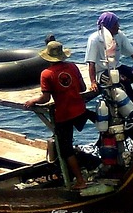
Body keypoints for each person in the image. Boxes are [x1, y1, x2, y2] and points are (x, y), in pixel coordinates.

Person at [23, 39, 92, 189]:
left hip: (64, 114)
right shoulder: (73, 67)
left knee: (65, 149)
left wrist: (33, 101)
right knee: (96, 118)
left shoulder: (46, 74)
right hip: (80, 110)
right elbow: (82, 87)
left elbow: (45, 98)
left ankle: (80, 181)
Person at [85, 11, 133, 108]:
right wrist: (93, 82)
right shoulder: (94, 39)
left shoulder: (119, 35)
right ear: (109, 26)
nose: (118, 26)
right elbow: (91, 62)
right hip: (102, 71)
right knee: (123, 80)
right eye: (116, 24)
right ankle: (131, 109)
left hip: (117, 66)